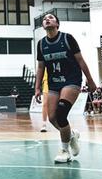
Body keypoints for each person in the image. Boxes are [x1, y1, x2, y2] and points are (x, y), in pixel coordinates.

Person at [35, 13, 97, 163]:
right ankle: (71, 135)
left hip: (71, 81)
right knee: (52, 118)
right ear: (43, 26)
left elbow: (80, 60)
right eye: (44, 19)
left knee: (61, 114)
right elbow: (40, 67)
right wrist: (37, 88)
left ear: (57, 23)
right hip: (54, 83)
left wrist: (90, 80)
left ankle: (64, 150)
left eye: (50, 17)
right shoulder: (41, 44)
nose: (47, 19)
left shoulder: (67, 39)